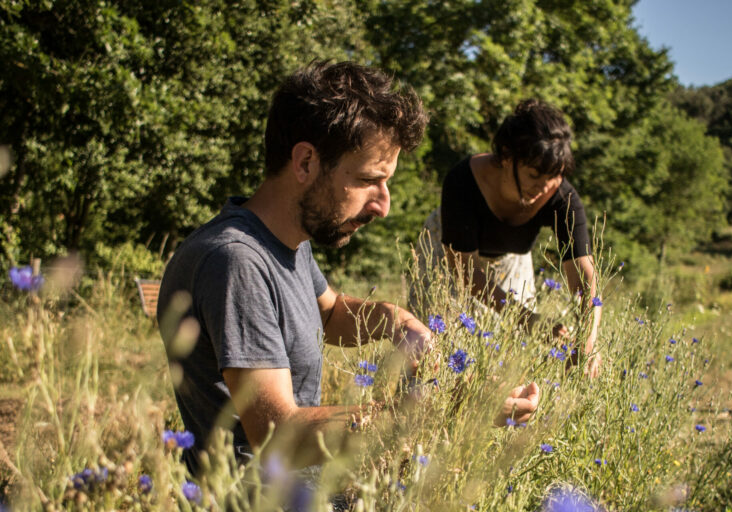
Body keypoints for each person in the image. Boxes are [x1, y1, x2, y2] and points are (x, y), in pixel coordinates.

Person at [157, 61, 541, 483]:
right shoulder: (236, 261)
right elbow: (276, 434)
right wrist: (447, 409)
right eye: (368, 180)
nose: (383, 205)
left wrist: (396, 320)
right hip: (258, 508)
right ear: (306, 162)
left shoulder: (284, 241)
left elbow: (327, 313)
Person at [412, 99, 603, 377]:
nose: (544, 187)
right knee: (433, 351)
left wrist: (587, 340)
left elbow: (583, 272)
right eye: (534, 175)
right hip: (449, 256)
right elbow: (465, 271)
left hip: (510, 258)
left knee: (507, 353)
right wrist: (528, 319)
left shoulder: (562, 196)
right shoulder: (462, 181)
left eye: (554, 176)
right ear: (506, 157)